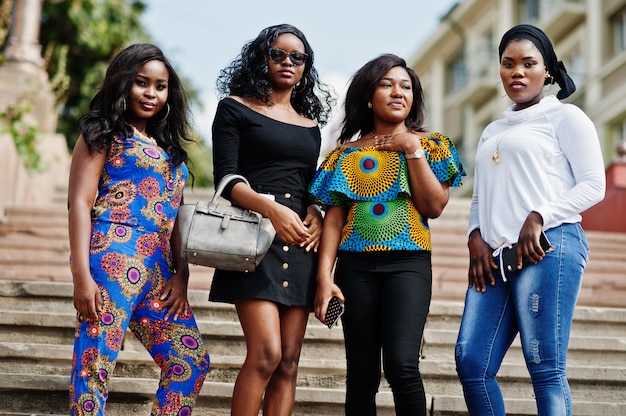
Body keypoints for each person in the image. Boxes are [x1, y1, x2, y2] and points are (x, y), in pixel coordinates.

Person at [455, 24, 606, 416]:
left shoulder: (566, 118)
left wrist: (540, 214)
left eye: (528, 63)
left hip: (549, 247)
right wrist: (475, 236)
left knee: (544, 366)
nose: (517, 72)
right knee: (472, 363)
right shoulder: (491, 130)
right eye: (508, 64)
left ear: (548, 71)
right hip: (496, 258)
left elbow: (594, 185)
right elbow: (479, 197)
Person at [309, 53, 465, 416]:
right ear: (368, 96)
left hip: (408, 264)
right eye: (387, 84)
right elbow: (333, 220)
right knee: (361, 373)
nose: (398, 92)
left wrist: (411, 149)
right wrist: (323, 278)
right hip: (354, 268)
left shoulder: (431, 145)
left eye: (406, 86)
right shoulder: (344, 155)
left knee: (401, 365)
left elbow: (433, 206)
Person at [67, 43, 210, 415]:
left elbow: (176, 215)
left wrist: (182, 272)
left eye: (160, 86)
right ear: (123, 82)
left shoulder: (168, 149)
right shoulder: (102, 133)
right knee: (94, 364)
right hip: (111, 257)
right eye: (141, 83)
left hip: (160, 271)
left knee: (190, 362)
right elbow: (80, 203)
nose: (151, 93)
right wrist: (81, 275)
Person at [209, 24, 335, 416]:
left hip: (298, 243)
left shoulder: (311, 126)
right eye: (278, 53)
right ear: (261, 57)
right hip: (254, 235)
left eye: (297, 58)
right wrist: (272, 209)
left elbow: (307, 184)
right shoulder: (234, 107)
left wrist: (315, 212)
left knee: (289, 362)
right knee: (266, 353)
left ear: (305, 68)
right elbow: (226, 180)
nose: (287, 62)